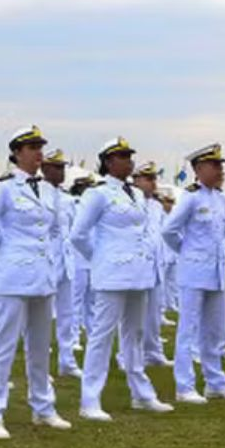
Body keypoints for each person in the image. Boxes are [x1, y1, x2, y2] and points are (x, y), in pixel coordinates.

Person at [0, 129, 71, 436]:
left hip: (43, 277)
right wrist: (10, 248)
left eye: (40, 147)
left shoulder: (49, 190)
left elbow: (56, 229)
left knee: (41, 347)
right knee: (2, 346)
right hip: (13, 276)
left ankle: (43, 407)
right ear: (17, 153)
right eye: (32, 147)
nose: (38, 153)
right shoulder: (5, 189)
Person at [71, 138, 173, 421]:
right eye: (122, 157)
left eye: (129, 156)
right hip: (112, 274)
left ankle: (141, 393)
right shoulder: (98, 194)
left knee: (135, 335)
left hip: (139, 273)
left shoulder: (138, 195)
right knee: (101, 336)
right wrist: (102, 259)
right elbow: (79, 235)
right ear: (108, 162)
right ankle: (90, 399)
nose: (128, 161)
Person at [161, 144, 225, 405]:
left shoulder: (220, 199)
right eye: (215, 165)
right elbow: (169, 231)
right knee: (189, 330)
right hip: (194, 271)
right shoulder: (191, 198)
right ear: (198, 169)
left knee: (215, 331)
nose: (221, 170)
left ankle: (215, 382)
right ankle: (184, 386)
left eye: (221, 165)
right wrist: (186, 253)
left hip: (217, 272)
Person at [41, 149, 81, 377]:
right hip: (44, 262)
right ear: (45, 169)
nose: (61, 171)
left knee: (67, 314)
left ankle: (67, 360)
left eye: (63, 167)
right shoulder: (37, 195)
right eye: (56, 167)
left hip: (66, 262)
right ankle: (41, 364)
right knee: (42, 316)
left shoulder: (67, 199)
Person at [132, 162, 173, 369]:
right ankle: (127, 355)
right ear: (136, 180)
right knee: (133, 316)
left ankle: (153, 351)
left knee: (154, 312)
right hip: (137, 264)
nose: (153, 183)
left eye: (154, 179)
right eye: (148, 179)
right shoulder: (131, 201)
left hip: (157, 264)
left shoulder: (157, 206)